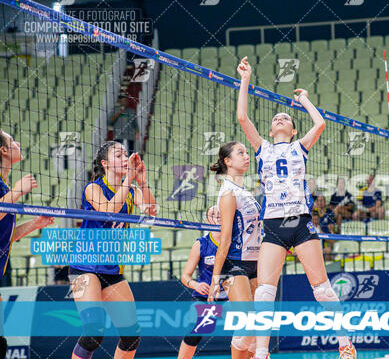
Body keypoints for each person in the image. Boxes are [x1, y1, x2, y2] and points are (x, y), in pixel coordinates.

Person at [236, 57, 357, 359]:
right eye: (276, 117)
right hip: (273, 225)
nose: (279, 118)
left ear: (291, 130)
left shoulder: (299, 147)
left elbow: (320, 124)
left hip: (300, 222)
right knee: (264, 292)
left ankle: (345, 344)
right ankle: (262, 353)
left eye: (285, 118)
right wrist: (245, 79)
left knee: (323, 289)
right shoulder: (262, 148)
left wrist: (304, 100)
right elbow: (241, 117)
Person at [68, 141, 157, 359]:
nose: (125, 158)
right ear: (105, 163)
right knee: (93, 333)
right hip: (84, 268)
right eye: (119, 155)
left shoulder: (131, 190)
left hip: (111, 271)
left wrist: (143, 183)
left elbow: (152, 212)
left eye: (126, 154)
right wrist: (129, 179)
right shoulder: (93, 188)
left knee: (131, 335)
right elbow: (109, 209)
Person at [0, 129, 54, 358]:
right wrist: (17, 192)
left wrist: (34, 224)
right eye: (12, 141)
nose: (18, 142)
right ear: (3, 150)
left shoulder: (4, 186)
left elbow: (6, 235)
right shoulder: (7, 191)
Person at [207, 142, 262, 359]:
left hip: (255, 262)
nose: (247, 156)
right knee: (248, 322)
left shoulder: (244, 191)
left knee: (257, 327)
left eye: (247, 153)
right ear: (228, 161)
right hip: (235, 264)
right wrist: (215, 278)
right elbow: (226, 238)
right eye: (241, 153)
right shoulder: (228, 193)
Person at [177, 205, 228, 359]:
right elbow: (185, 276)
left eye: (221, 213)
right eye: (213, 214)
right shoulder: (201, 244)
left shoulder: (235, 241)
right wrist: (195, 285)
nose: (218, 216)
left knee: (246, 324)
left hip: (229, 297)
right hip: (205, 297)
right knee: (196, 331)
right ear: (207, 220)